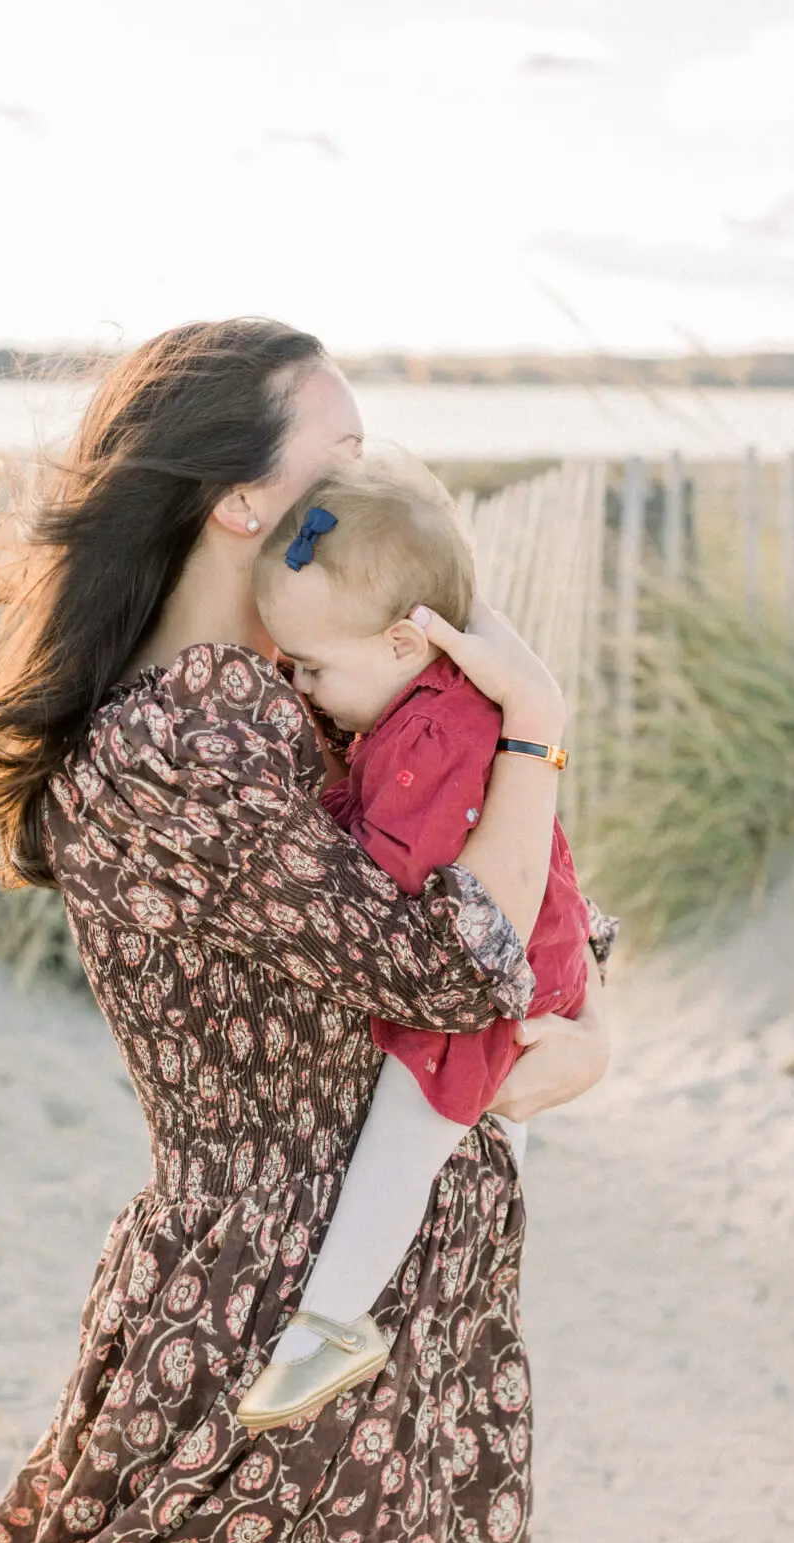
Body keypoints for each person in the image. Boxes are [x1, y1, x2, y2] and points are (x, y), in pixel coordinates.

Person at [0, 317, 612, 1543]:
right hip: (279, 1280)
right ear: (242, 499)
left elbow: (520, 904)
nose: (371, 486)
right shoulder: (180, 738)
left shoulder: (295, 696)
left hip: (388, 1277)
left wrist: (587, 1006)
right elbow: (450, 966)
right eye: (342, 458)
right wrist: (535, 733)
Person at [237, 457, 617, 1431]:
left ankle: (331, 1319)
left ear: (408, 638)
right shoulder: (432, 693)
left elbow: (401, 872)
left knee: (411, 1123)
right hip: (539, 954)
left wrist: (323, 824)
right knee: (490, 1124)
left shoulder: (433, 731)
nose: (306, 686)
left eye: (315, 666)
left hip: (500, 967)